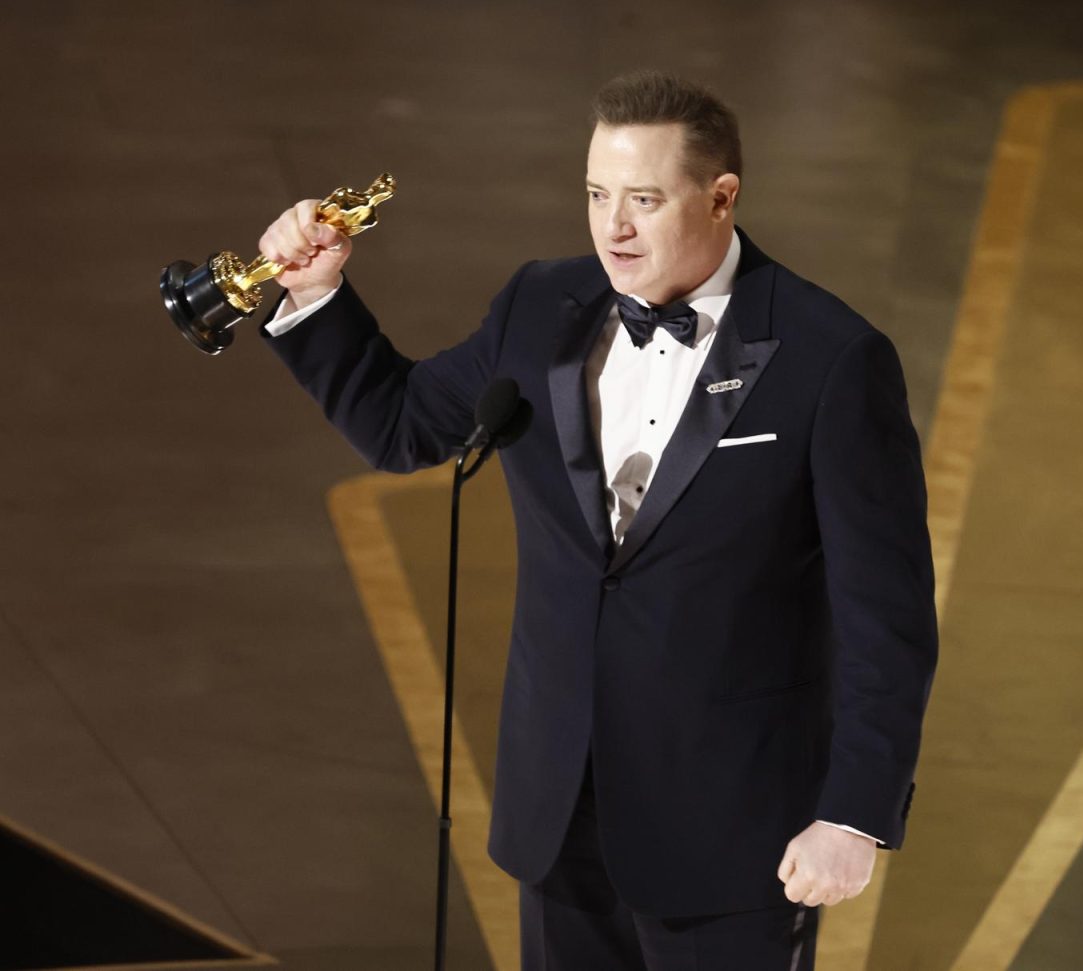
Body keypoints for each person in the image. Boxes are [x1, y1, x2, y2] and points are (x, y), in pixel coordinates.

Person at [257, 70, 938, 970]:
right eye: (596, 194)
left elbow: (886, 617)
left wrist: (853, 812)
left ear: (722, 196)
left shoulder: (831, 359)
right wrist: (318, 297)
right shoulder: (541, 307)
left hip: (735, 835)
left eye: (645, 200)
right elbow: (403, 426)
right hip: (559, 813)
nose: (612, 226)